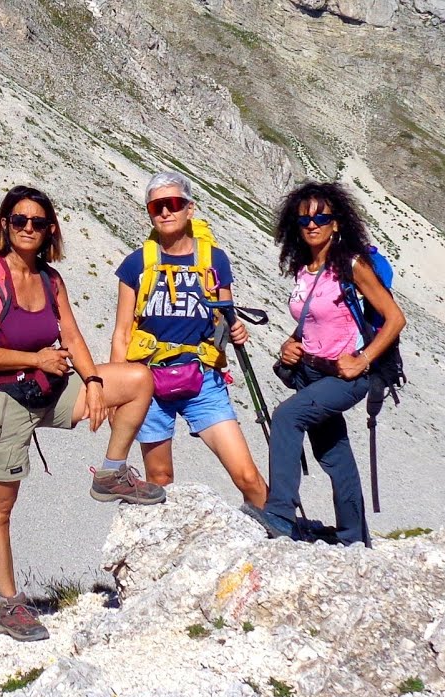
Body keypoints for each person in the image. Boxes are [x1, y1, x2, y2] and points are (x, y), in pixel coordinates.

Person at [0, 185, 163, 642]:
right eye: (19, 221)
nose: (28, 229)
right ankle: (11, 604)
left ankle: (110, 472)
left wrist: (93, 382)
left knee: (136, 381)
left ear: (50, 229)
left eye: (38, 222)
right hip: (1, 401)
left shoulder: (51, 279)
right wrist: (36, 359)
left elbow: (71, 338)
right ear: (4, 225)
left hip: (49, 385)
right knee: (0, 507)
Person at [250, 181, 406, 547]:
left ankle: (280, 515)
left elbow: (395, 318)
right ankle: (354, 538)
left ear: (337, 222)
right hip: (311, 371)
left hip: (346, 375)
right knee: (334, 454)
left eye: (322, 217)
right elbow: (315, 320)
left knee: (288, 416)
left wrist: (363, 359)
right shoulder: (305, 268)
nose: (312, 224)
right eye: (304, 219)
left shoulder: (352, 265)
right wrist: (291, 343)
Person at [110, 171, 269, 511]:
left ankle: (278, 541)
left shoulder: (214, 260)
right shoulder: (136, 264)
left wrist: (236, 330)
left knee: (248, 477)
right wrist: (116, 392)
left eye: (174, 204)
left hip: (203, 379)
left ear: (189, 209)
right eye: (157, 207)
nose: (165, 212)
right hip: (147, 383)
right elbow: (122, 331)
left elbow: (225, 318)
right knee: (160, 479)